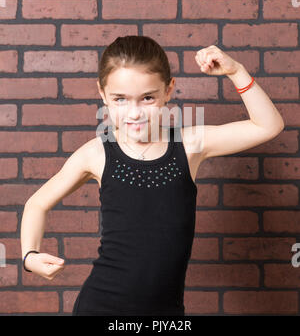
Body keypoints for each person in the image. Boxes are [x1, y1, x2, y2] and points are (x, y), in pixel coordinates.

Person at [20, 36, 285, 316]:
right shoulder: (97, 153)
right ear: (102, 94)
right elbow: (37, 203)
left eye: (147, 98)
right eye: (120, 99)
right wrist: (30, 255)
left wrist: (236, 71)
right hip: (101, 307)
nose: (134, 113)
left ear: (168, 90)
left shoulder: (189, 144)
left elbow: (268, 126)